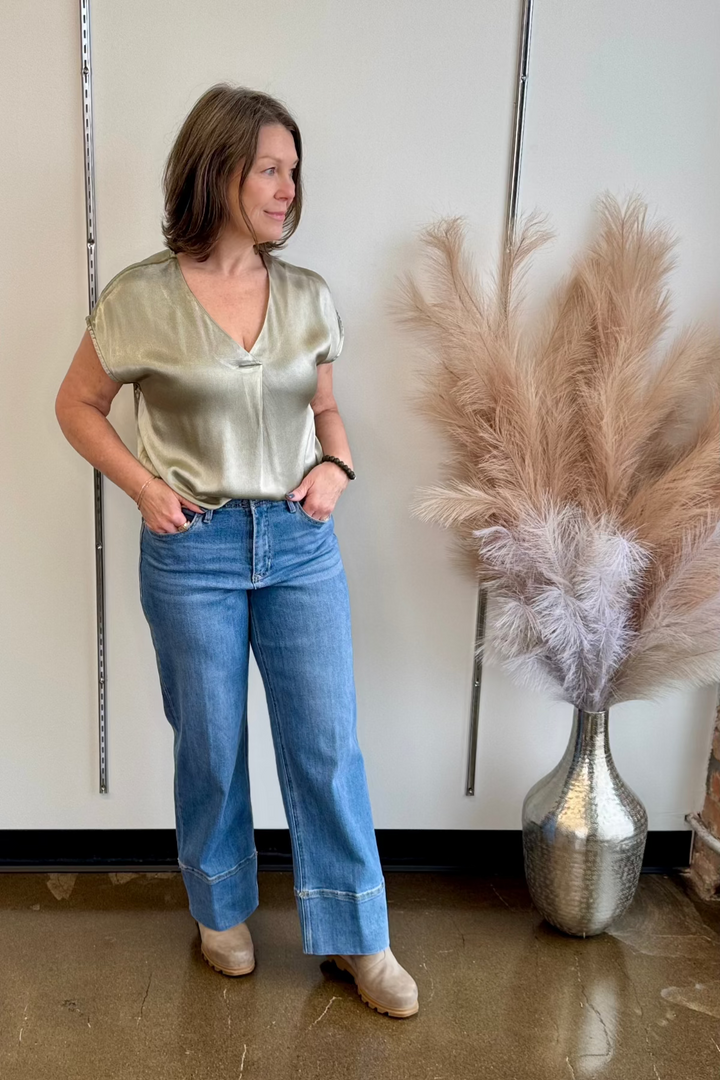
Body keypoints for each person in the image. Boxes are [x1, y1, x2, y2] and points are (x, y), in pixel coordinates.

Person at [55, 84, 418, 1019]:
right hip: (193, 552)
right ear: (217, 169)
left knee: (327, 743)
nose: (287, 187)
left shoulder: (308, 296)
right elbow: (77, 407)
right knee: (211, 744)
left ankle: (356, 937)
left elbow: (326, 407)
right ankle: (220, 914)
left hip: (298, 543)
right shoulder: (139, 297)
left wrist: (337, 464)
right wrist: (143, 487)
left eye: (294, 171)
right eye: (269, 168)